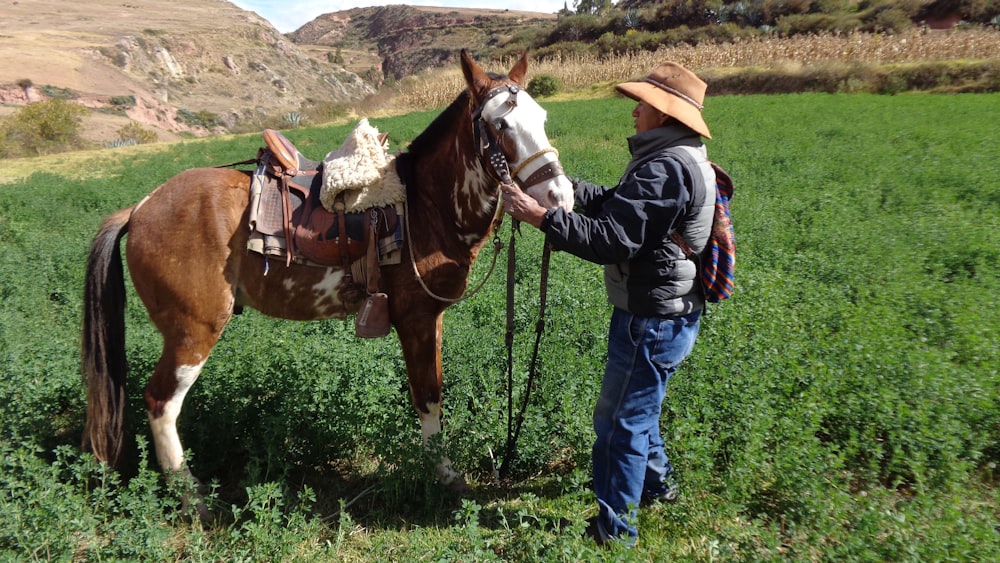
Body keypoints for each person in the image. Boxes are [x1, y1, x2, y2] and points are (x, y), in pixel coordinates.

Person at [501, 62, 717, 546]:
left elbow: (612, 240)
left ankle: (614, 532)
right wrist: (560, 187)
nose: (635, 110)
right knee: (643, 409)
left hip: (651, 319)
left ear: (664, 114)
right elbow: (621, 203)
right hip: (670, 312)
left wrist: (540, 217)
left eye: (642, 103)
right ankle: (659, 489)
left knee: (621, 422)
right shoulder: (678, 156)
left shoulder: (664, 168)